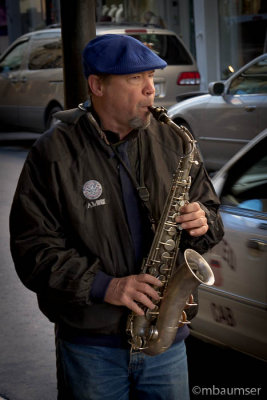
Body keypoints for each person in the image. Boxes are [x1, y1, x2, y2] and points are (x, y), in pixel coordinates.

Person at [10, 34, 224, 400]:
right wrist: (106, 286)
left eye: (152, 79)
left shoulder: (175, 141)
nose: (150, 91)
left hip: (165, 341)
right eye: (134, 79)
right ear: (97, 86)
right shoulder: (53, 152)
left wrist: (202, 221)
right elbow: (33, 251)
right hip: (92, 347)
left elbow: (212, 216)